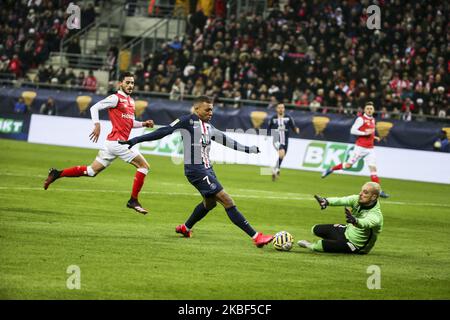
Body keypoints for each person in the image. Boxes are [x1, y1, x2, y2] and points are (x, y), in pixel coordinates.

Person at [118, 95, 274, 247]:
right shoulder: (187, 120)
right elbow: (164, 131)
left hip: (208, 169)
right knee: (227, 200)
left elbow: (226, 139)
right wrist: (135, 140)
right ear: (197, 108)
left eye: (212, 110)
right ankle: (256, 237)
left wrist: (247, 149)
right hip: (196, 170)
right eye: (207, 110)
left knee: (210, 203)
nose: (210, 113)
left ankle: (185, 228)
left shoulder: (209, 127)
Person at [43, 72, 154, 214]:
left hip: (111, 144)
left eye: (132, 83)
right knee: (144, 166)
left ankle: (57, 173)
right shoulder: (115, 98)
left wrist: (144, 123)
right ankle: (133, 200)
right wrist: (97, 124)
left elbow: (129, 123)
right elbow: (93, 108)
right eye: (127, 82)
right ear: (120, 83)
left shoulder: (131, 101)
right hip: (118, 143)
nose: (130, 85)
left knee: (91, 171)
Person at [321, 102, 390, 198]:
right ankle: (331, 169)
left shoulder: (373, 120)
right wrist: (365, 133)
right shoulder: (361, 119)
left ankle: (379, 191)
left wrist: (374, 137)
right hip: (360, 148)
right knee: (348, 165)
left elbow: (370, 132)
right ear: (365, 110)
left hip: (370, 149)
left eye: (371, 108)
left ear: (373, 110)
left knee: (373, 169)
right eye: (367, 108)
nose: (369, 110)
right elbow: (353, 130)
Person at [297, 182, 383, 254]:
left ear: (374, 197)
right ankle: (335, 243)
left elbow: (366, 223)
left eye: (365, 192)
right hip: (346, 231)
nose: (360, 194)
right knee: (315, 229)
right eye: (361, 191)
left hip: (355, 245)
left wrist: (355, 221)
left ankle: (309, 245)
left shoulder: (375, 215)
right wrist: (326, 201)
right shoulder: (356, 199)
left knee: (319, 246)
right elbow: (341, 200)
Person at [267, 103, 300, 181]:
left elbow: (293, 127)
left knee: (282, 156)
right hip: (276, 140)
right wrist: (266, 135)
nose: (281, 109)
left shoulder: (288, 118)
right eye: (279, 108)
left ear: (284, 109)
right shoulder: (273, 118)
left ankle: (276, 169)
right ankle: (277, 169)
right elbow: (268, 128)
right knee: (281, 153)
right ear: (276, 109)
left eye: (282, 107)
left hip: (285, 140)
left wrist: (297, 130)